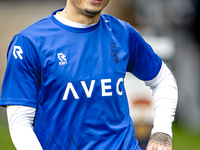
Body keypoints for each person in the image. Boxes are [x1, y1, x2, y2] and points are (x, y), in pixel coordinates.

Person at [0, 0, 178, 150]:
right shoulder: (29, 42)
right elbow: (20, 122)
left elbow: (163, 79)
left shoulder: (123, 33)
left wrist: (162, 132)